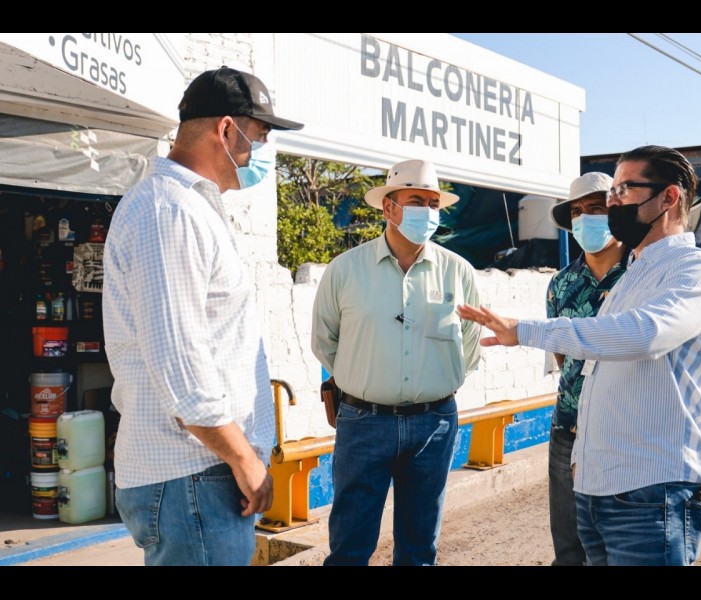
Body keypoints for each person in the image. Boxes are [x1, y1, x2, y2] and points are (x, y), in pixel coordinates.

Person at [457, 145, 701, 566]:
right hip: (597, 488)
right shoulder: (633, 273)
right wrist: (582, 460)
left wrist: (526, 330)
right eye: (612, 193)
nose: (613, 203)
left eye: (623, 190)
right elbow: (588, 372)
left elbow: (643, 335)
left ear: (669, 197)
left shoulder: (695, 270)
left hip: (651, 491)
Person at [102, 66, 304, 566]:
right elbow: (181, 364)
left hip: (194, 476)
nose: (263, 149)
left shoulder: (183, 207)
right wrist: (243, 458)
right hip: (192, 474)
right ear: (226, 129)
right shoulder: (170, 211)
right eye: (260, 135)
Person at [311, 159, 482, 566]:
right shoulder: (345, 270)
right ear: (388, 208)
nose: (428, 211)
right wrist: (366, 378)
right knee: (350, 547)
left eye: (433, 203)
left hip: (434, 423)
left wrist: (435, 383)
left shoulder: (458, 272)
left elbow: (471, 345)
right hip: (362, 422)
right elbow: (325, 342)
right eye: (416, 201)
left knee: (419, 549)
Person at [545, 172, 629, 566]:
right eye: (577, 212)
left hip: (623, 434)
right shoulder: (560, 284)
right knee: (569, 548)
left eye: (596, 209)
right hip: (568, 430)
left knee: (618, 549)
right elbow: (564, 359)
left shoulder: (639, 274)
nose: (584, 219)